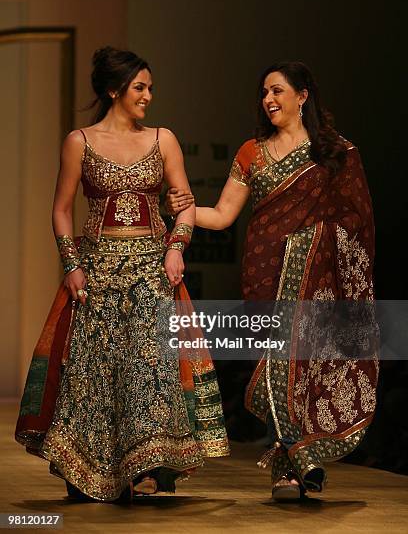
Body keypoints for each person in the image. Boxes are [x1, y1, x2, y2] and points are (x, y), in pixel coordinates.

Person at [15, 47, 229, 502]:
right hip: (97, 272)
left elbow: (185, 203)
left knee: (149, 370)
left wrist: (176, 248)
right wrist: (71, 264)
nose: (148, 96)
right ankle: (87, 471)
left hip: (153, 270)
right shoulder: (80, 141)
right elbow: (60, 209)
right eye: (139, 87)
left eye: (150, 87)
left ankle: (147, 465)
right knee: (95, 372)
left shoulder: (163, 139)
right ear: (114, 90)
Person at [167, 61, 378, 501]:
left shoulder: (335, 153)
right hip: (266, 273)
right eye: (265, 93)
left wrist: (317, 243)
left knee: (305, 369)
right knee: (274, 371)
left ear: (303, 97)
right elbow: (224, 216)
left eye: (278, 91)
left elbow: (356, 221)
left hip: (319, 278)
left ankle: (293, 465)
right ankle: (296, 462)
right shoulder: (252, 152)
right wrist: (183, 209)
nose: (269, 100)